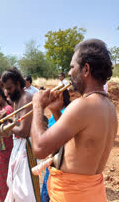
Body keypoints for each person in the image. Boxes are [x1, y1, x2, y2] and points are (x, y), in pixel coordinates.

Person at [31, 39, 117, 202]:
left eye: (72, 67)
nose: (69, 73)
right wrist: (55, 110)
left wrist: (37, 106)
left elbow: (40, 148)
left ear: (86, 69)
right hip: (92, 195)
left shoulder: (82, 105)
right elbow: (75, 144)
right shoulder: (109, 107)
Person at [1, 67, 40, 202]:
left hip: (27, 150)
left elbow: (23, 131)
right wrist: (7, 120)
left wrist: (6, 126)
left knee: (27, 192)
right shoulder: (16, 98)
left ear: (18, 84)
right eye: (6, 88)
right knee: (16, 188)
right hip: (18, 147)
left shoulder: (27, 98)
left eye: (10, 88)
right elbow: (17, 124)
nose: (7, 92)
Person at [40, 89, 71, 202]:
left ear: (61, 98)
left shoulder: (68, 112)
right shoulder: (58, 111)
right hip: (54, 156)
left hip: (60, 159)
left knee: (49, 193)